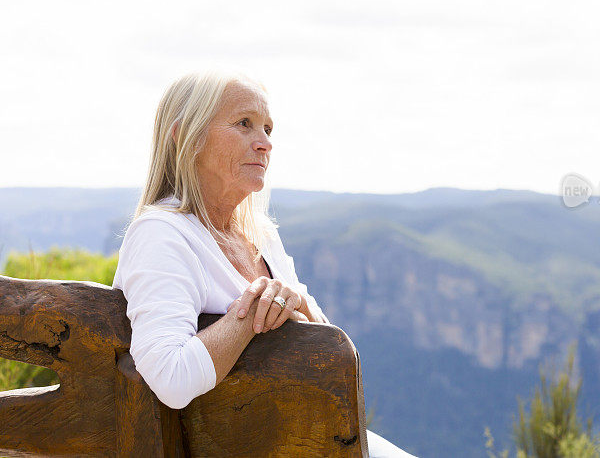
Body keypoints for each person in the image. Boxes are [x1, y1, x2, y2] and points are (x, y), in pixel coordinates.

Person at [111, 70, 418, 457]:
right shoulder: (161, 234)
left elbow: (327, 340)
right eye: (244, 124)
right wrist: (254, 309)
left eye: (268, 129)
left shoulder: (262, 236)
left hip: (297, 435)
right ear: (185, 138)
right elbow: (171, 378)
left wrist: (294, 301)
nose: (265, 144)